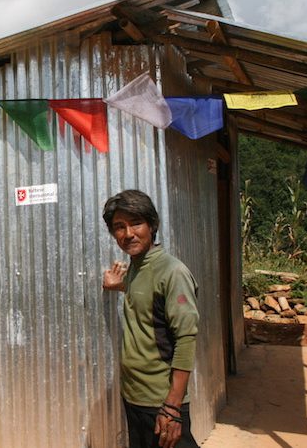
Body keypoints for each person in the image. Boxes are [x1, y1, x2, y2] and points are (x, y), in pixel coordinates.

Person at [102, 189, 200, 448]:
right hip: (134, 395)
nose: (128, 233)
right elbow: (149, 299)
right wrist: (119, 285)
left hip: (160, 401)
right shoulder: (136, 265)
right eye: (119, 227)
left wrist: (172, 407)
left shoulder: (173, 272)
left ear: (152, 225)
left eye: (136, 223)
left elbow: (186, 339)